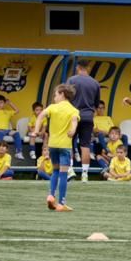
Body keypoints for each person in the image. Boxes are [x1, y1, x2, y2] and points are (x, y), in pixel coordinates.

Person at [39, 83, 80, 211]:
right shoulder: (73, 110)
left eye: (55, 95)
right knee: (63, 174)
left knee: (55, 171)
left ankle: (51, 195)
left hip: (52, 145)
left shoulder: (52, 107)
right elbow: (74, 122)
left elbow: (40, 116)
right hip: (64, 146)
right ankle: (61, 203)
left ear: (62, 94)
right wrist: (72, 131)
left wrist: (35, 130)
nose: (54, 97)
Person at [65, 61, 101, 179]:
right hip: (88, 117)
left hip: (73, 116)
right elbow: (97, 103)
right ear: (88, 68)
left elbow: (66, 98)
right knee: (85, 145)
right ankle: (85, 174)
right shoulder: (95, 83)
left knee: (68, 143)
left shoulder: (71, 80)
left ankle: (70, 169)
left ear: (78, 67)